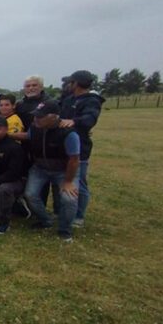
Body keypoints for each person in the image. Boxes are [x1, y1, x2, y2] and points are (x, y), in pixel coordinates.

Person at [20, 100, 81, 242]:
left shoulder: (68, 133)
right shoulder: (35, 127)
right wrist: (6, 135)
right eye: (35, 116)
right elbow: (27, 136)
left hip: (63, 170)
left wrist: (68, 181)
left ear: (54, 117)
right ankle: (45, 220)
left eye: (40, 116)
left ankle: (65, 230)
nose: (36, 119)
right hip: (40, 168)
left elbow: (74, 159)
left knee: (69, 198)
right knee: (30, 194)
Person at [60, 70, 105, 228]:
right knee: (64, 179)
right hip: (63, 146)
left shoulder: (92, 101)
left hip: (80, 148)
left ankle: (79, 216)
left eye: (70, 82)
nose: (68, 85)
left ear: (76, 83)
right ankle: (63, 212)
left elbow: (89, 119)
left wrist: (73, 121)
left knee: (80, 182)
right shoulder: (69, 98)